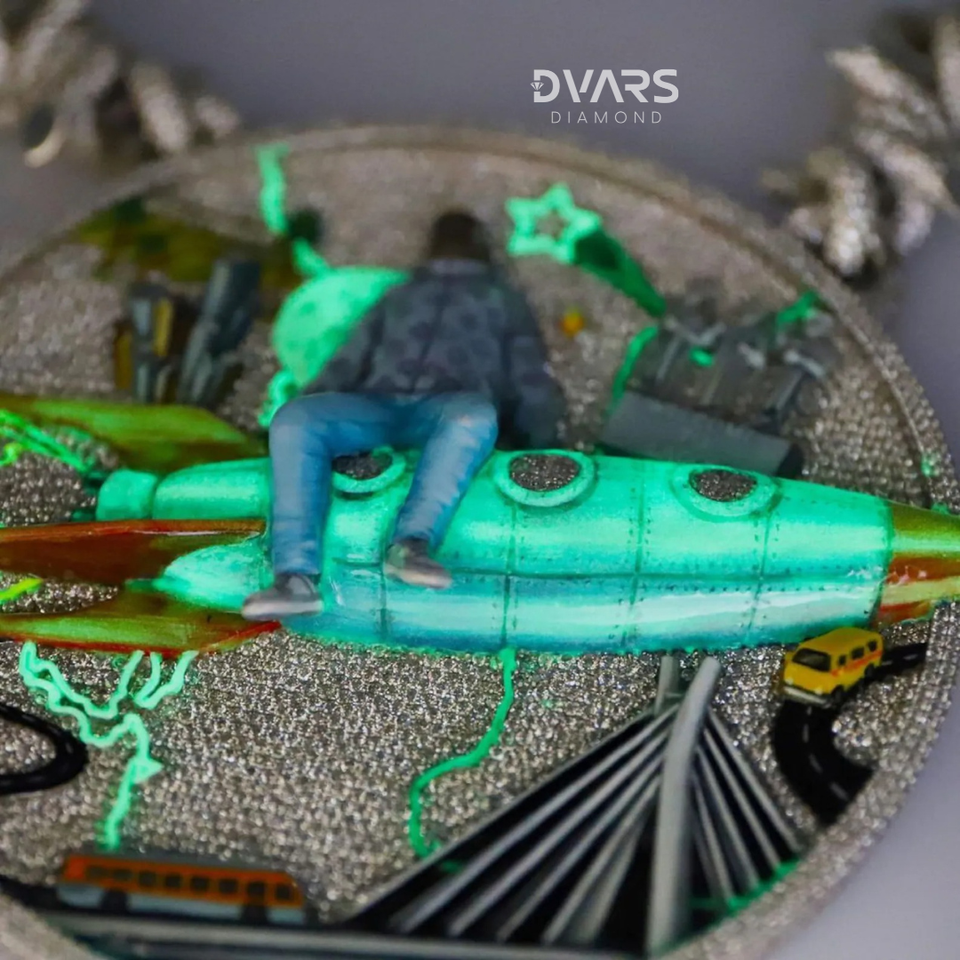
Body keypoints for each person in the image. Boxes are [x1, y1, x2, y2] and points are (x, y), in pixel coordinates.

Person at [241, 211, 565, 620]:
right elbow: (348, 358)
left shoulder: (500, 301)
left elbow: (530, 378)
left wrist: (543, 443)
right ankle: (294, 577)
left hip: (443, 409)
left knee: (474, 415)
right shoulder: (402, 294)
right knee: (297, 418)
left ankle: (412, 544)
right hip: (377, 406)